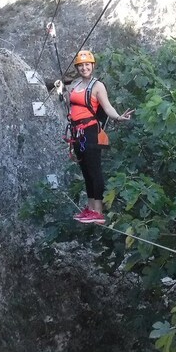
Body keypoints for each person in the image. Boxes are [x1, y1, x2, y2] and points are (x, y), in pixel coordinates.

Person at [67, 50, 134, 225]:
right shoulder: (76, 85)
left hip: (90, 132)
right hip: (77, 133)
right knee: (86, 172)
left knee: (94, 171)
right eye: (81, 65)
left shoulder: (97, 86)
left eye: (87, 64)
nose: (84, 68)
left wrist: (118, 116)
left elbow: (107, 107)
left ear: (93, 66)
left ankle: (98, 211)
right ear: (77, 68)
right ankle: (90, 208)